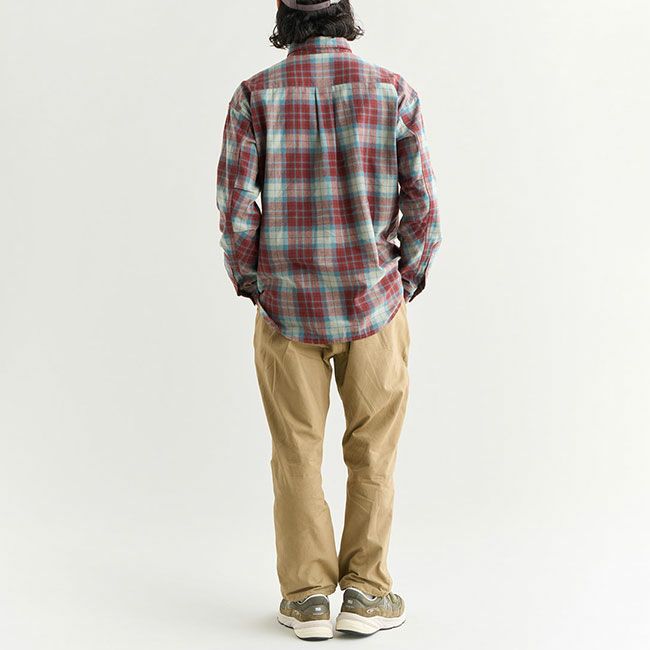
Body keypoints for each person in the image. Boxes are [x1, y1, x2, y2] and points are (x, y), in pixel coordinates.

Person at [216, 0, 441, 640]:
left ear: (284, 18)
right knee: (374, 454)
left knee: (295, 454)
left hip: (286, 307)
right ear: (345, 14)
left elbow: (236, 209)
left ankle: (308, 598)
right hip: (375, 302)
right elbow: (423, 203)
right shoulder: (392, 91)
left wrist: (254, 281)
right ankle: (367, 593)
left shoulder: (254, 96)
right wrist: (405, 277)